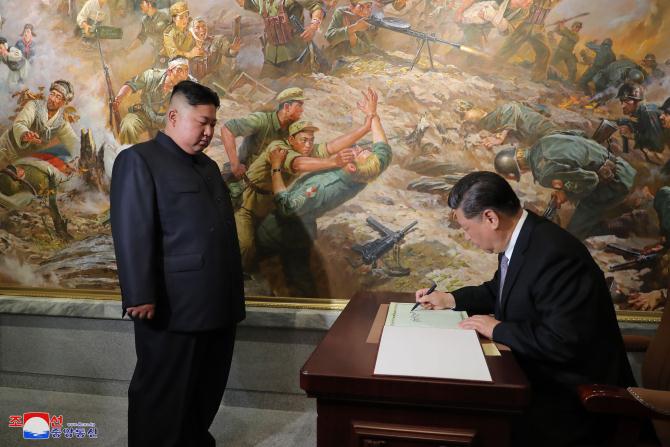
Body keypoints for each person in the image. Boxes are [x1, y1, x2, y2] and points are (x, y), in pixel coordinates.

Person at [414, 171, 635, 447]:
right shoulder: (523, 238)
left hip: (573, 400)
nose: (466, 236)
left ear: (491, 218)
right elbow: (500, 290)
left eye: (466, 228)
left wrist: (497, 329)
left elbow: (562, 342)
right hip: (538, 376)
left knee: (466, 420)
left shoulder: (555, 255)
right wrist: (449, 299)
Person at [110, 80, 245, 446]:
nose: (209, 132)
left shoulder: (207, 167)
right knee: (162, 395)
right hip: (173, 307)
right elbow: (132, 231)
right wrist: (139, 294)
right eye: (202, 122)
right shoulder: (139, 160)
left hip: (218, 304)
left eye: (213, 124)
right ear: (173, 116)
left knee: (205, 389)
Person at [256, 88, 391, 295]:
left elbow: (285, 207)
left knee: (292, 279)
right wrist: (372, 116)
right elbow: (383, 150)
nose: (357, 148)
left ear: (353, 166)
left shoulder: (321, 188)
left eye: (358, 152)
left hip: (282, 230)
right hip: (305, 223)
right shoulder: (368, 171)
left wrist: (275, 167)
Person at [236, 106, 372, 271]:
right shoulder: (278, 148)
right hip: (247, 204)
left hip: (270, 203)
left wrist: (365, 128)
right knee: (245, 247)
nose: (309, 145)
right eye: (304, 140)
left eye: (311, 140)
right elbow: (298, 163)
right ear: (291, 139)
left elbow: (331, 147)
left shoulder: (303, 149)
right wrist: (334, 162)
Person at [493, 133, 636, 240]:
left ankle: (620, 225)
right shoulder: (543, 141)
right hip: (622, 167)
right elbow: (580, 135)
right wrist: (564, 184)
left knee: (573, 235)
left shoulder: (544, 173)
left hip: (616, 184)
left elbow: (591, 181)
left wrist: (566, 194)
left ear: (519, 169)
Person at [113, 57, 192, 144]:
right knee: (128, 124)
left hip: (168, 121)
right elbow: (132, 84)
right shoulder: (152, 75)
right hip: (145, 113)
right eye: (179, 70)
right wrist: (120, 97)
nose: (183, 75)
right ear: (169, 71)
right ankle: (128, 154)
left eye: (186, 71)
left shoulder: (191, 85)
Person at [0, 80, 77, 169]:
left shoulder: (61, 122)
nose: (52, 99)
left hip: (21, 161)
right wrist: (25, 134)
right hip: (6, 147)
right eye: (52, 94)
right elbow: (20, 123)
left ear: (64, 102)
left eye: (58, 97)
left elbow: (73, 143)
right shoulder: (34, 106)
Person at [237, 0, 324, 78]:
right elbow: (244, 2)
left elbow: (317, 6)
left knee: (297, 89)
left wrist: (313, 27)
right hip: (270, 57)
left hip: (295, 57)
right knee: (264, 89)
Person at [497, 0, 561, 82]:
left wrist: (559, 24)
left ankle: (538, 78)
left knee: (546, 51)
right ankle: (494, 66)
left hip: (539, 30)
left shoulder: (554, 3)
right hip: (526, 25)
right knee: (510, 46)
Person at [187, 17, 241, 85]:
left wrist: (233, 50)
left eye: (204, 26)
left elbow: (228, 51)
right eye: (197, 27)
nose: (202, 29)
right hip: (193, 85)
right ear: (191, 31)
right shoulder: (186, 47)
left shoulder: (217, 40)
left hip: (213, 83)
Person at [618, 84, 667, 154]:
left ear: (636, 102)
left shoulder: (648, 112)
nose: (622, 106)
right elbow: (646, 128)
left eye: (626, 101)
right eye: (621, 102)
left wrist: (632, 135)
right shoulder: (642, 111)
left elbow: (657, 145)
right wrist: (631, 126)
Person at [128, 0, 171, 65]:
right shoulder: (145, 20)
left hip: (171, 54)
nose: (140, 5)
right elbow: (141, 38)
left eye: (142, 3)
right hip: (157, 55)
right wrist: (128, 50)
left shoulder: (166, 14)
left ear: (149, 4)